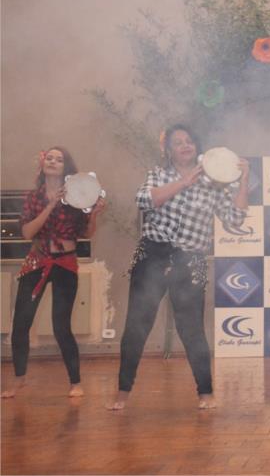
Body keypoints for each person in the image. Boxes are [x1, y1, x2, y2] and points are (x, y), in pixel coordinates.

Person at [107, 124, 249, 410]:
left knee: (192, 329)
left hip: (190, 260)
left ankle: (205, 393)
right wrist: (184, 182)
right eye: (178, 142)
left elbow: (235, 220)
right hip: (153, 256)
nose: (186, 145)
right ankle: (122, 392)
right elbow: (144, 200)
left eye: (189, 141)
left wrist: (243, 179)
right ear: (168, 150)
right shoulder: (158, 174)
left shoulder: (215, 181)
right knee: (136, 326)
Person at [1, 147, 105, 399]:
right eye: (50, 158)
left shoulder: (76, 196)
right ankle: (19, 379)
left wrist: (94, 215)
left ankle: (75, 382)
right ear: (43, 164)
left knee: (61, 326)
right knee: (21, 324)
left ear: (65, 167)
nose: (53, 162)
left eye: (59, 159)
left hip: (65, 263)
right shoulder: (34, 197)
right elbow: (27, 232)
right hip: (37, 261)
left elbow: (86, 233)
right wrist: (50, 204)